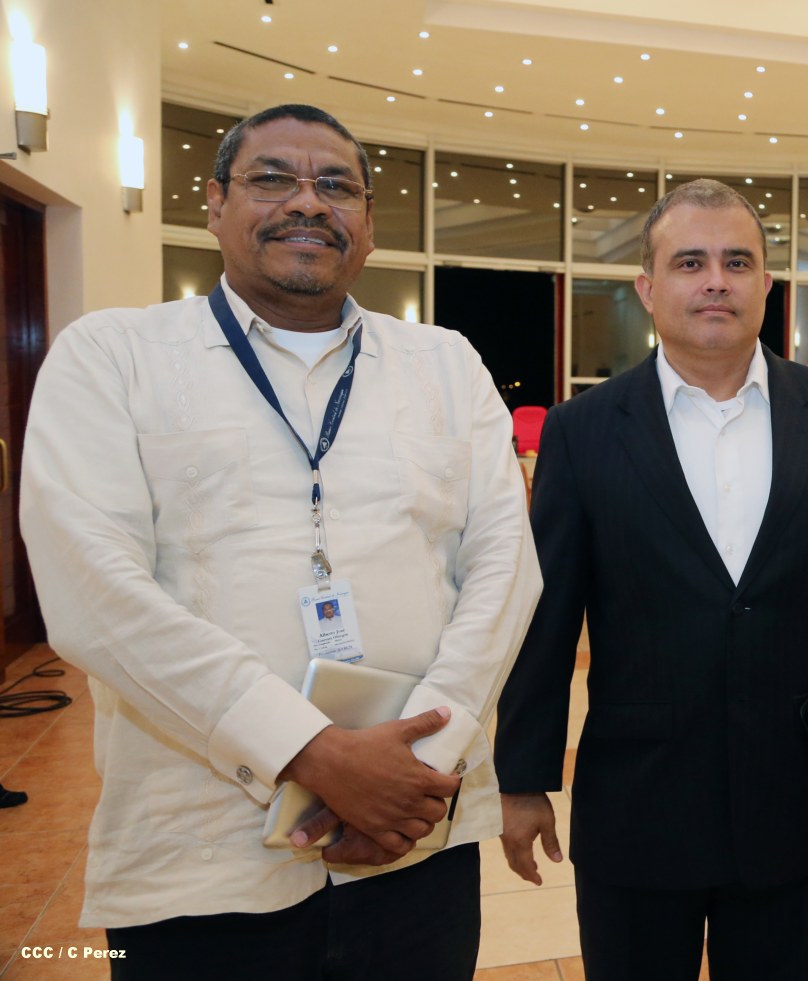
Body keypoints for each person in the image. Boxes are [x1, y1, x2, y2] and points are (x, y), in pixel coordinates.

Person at [19, 103, 542, 979]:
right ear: (214, 203)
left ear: (368, 221)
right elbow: (91, 591)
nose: (308, 202)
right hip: (202, 854)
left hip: (415, 833)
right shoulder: (115, 355)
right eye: (272, 179)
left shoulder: (445, 363)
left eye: (336, 185)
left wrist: (416, 761)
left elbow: (504, 568)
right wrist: (309, 750)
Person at [494, 179, 808, 981]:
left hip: (794, 802)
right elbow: (543, 620)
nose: (715, 280)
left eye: (736, 262)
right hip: (636, 804)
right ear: (647, 288)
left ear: (766, 283)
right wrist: (523, 778)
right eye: (690, 262)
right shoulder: (583, 430)